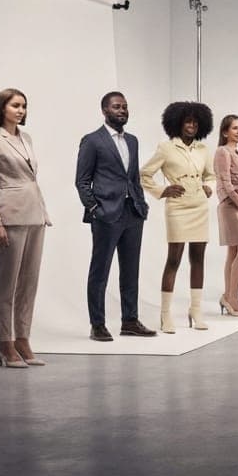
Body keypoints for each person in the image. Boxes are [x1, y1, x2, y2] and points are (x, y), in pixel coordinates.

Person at [0, 88, 51, 368]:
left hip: (36, 215)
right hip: (10, 216)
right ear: (2, 108)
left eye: (24, 106)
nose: (21, 110)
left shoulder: (26, 138)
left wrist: (42, 212)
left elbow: (31, 178)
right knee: (6, 284)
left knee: (29, 284)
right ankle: (4, 344)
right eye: (15, 105)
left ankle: (23, 339)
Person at [75, 91, 156, 342]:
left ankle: (129, 320)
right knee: (100, 271)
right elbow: (81, 181)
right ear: (105, 111)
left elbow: (133, 177)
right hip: (106, 215)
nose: (122, 110)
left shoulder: (132, 140)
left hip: (132, 213)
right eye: (116, 107)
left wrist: (141, 203)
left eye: (125, 107)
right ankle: (97, 324)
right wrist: (94, 209)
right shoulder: (92, 140)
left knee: (131, 270)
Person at [140, 101, 216, 333]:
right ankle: (165, 315)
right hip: (178, 208)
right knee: (174, 259)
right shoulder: (166, 148)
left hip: (199, 207)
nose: (191, 125)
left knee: (198, 258)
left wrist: (208, 187)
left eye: (195, 121)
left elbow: (210, 174)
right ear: (177, 123)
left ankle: (195, 310)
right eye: (187, 121)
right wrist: (163, 191)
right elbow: (144, 174)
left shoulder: (203, 149)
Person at [213, 114, 238, 317]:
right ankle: (232, 297)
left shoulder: (236, 153)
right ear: (225, 132)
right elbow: (226, 183)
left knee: (234, 251)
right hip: (232, 207)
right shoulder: (223, 152)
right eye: (235, 128)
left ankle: (228, 296)